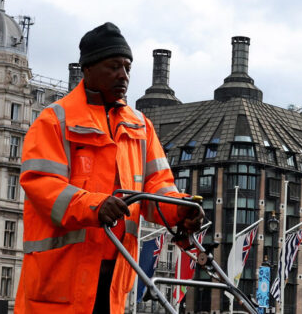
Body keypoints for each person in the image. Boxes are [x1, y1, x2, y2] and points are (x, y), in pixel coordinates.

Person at [15, 22, 203, 314]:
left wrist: (180, 209)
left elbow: (158, 188)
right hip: (60, 275)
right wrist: (94, 206)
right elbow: (41, 184)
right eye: (114, 66)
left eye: (127, 68)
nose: (123, 76)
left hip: (114, 272)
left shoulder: (140, 126)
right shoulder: (55, 120)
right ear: (88, 69)